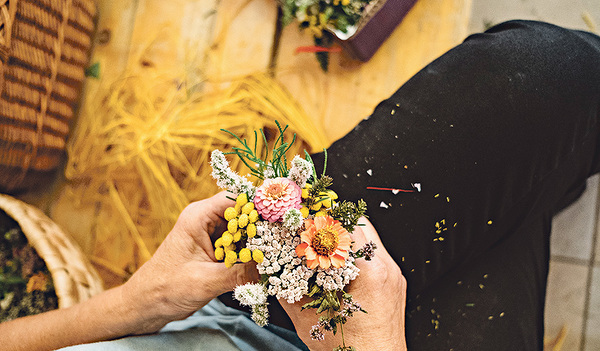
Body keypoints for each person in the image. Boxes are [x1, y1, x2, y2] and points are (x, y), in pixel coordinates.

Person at [1, 19, 599, 350]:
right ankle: (550, 183)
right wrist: (370, 344)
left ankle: (554, 177)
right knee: (513, 199)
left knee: (538, 74)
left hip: (247, 314)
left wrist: (137, 305)